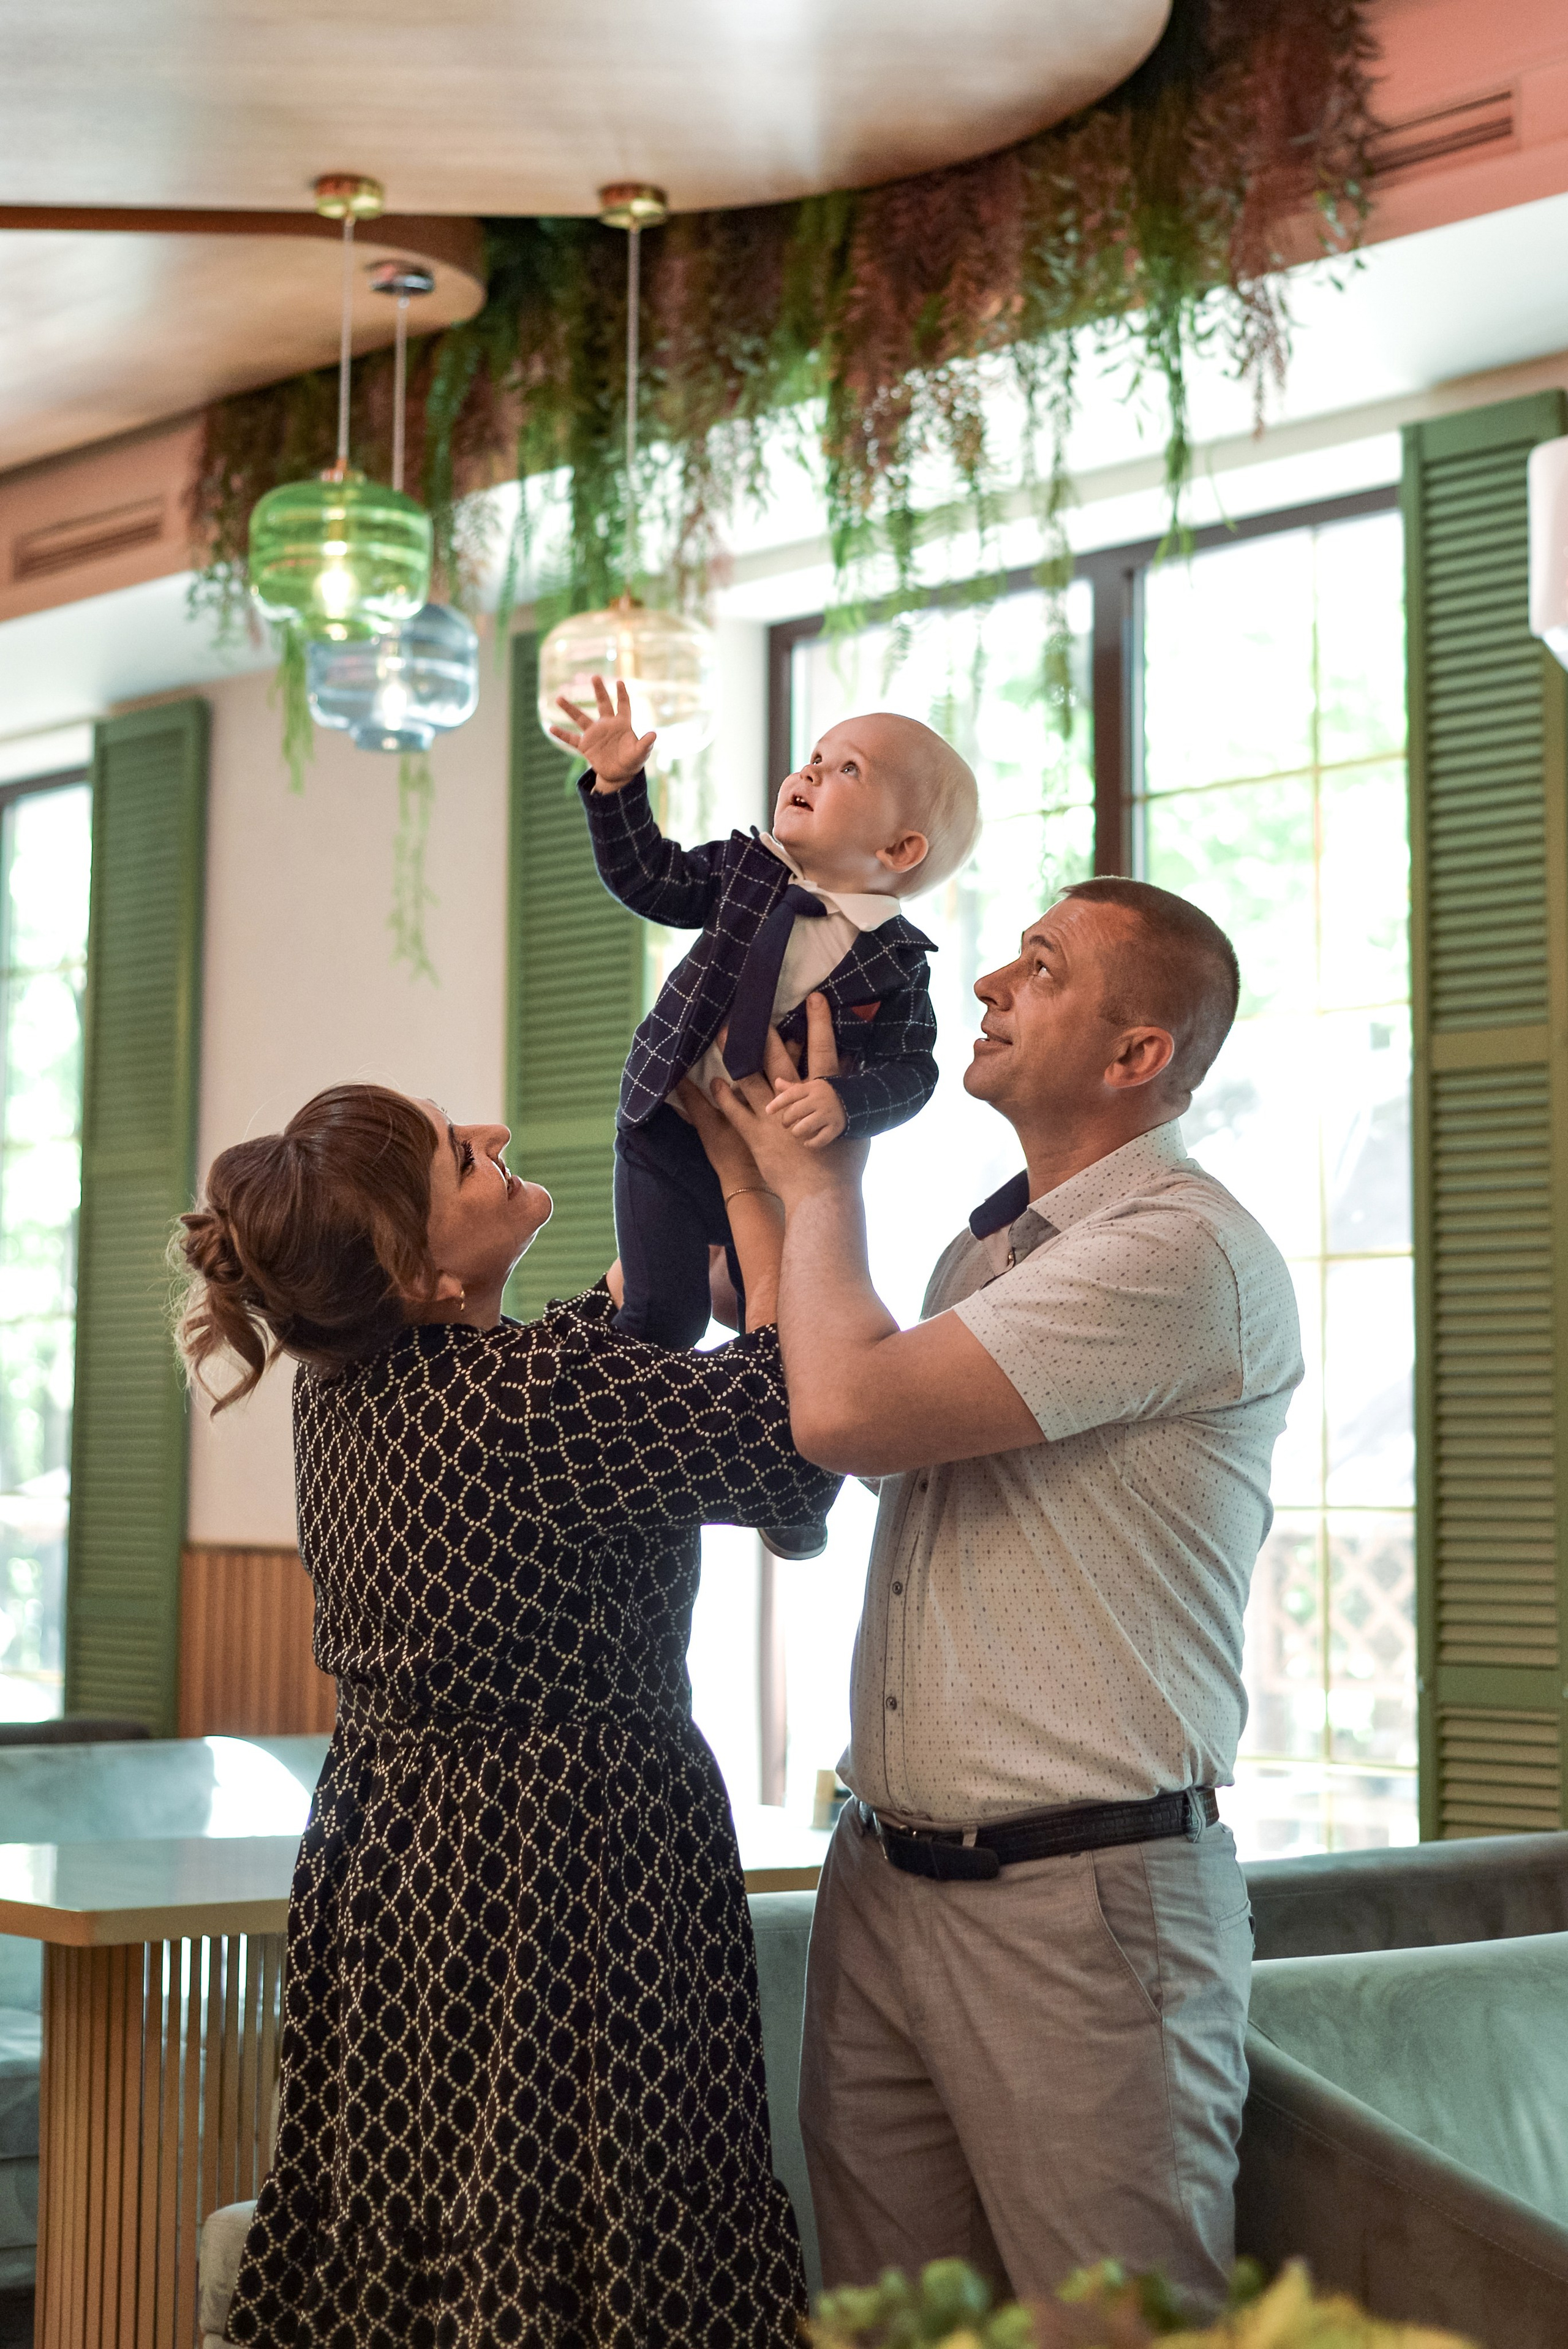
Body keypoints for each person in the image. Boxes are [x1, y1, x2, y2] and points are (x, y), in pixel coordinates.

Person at [707, 877, 1305, 2312]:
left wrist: (821, 1176)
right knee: (897, 2323)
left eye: (1036, 969)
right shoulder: (986, 1254)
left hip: (1076, 1906)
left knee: (1107, 2336)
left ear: (1132, 1057)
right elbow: (840, 1392)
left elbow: (842, 1409)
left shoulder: (1173, 1250)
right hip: (885, 1878)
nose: (985, 985)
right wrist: (740, 1156)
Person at [173, 1079, 838, 2349]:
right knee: (592, 2218)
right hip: (570, 1863)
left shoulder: (350, 1393)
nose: (493, 1140)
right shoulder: (531, 1405)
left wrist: (649, 1280)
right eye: (456, 1162)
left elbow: (593, 1365)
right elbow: (795, 1442)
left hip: (392, 1860)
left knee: (422, 2215)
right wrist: (761, 1186)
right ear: (419, 1278)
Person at [551, 677, 978, 1560]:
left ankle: (788, 1492)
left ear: (899, 846)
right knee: (661, 1313)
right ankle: (628, 1484)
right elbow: (651, 879)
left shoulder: (898, 965)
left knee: (788, 1339)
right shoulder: (745, 873)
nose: (810, 770)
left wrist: (844, 1100)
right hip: (670, 1128)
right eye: (813, 755)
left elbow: (915, 1071)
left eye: (845, 768)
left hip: (777, 1165)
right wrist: (615, 790)